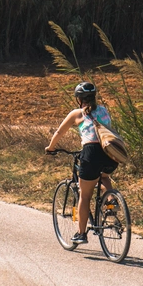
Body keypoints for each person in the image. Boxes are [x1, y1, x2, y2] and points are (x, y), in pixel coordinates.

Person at [45, 81, 119, 244]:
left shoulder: (77, 114)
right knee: (104, 177)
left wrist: (50, 147)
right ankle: (111, 203)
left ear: (79, 99)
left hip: (91, 154)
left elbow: (59, 132)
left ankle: (81, 234)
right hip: (110, 153)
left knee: (85, 196)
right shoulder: (104, 110)